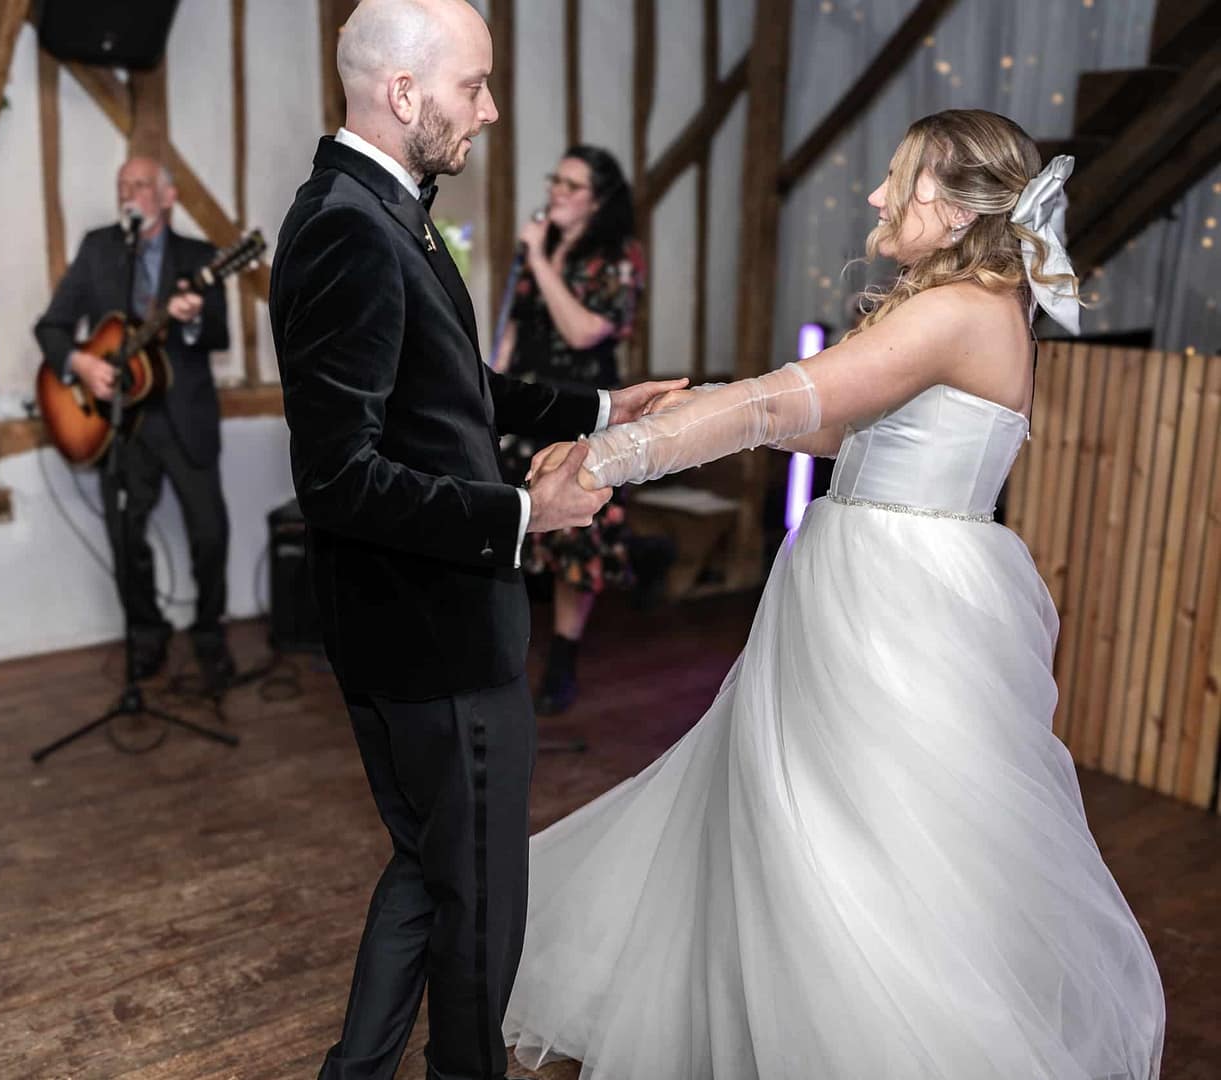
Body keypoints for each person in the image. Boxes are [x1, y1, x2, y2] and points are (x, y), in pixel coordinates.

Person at [504, 110, 1166, 1078]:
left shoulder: (957, 311)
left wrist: (610, 456)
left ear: (949, 208)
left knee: (868, 832)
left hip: (895, 597)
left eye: (897, 176)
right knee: (804, 812)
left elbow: (782, 403)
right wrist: (687, 408)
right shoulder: (961, 304)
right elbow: (821, 426)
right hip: (867, 572)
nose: (873, 195)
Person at [267, 2, 684, 1078]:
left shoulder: (376, 206)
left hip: (408, 629)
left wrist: (598, 409)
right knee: (483, 902)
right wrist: (522, 512)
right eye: (473, 87)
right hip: (435, 637)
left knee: (426, 869)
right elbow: (338, 480)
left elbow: (462, 389)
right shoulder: (350, 229)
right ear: (403, 93)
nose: (489, 111)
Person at [35, 157, 236, 694]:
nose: (130, 192)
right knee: (125, 533)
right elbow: (52, 326)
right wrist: (82, 364)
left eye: (142, 185)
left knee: (209, 531)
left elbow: (220, 334)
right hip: (121, 424)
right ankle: (146, 633)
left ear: (168, 197)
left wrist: (191, 321)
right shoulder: (100, 248)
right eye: (123, 184)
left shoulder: (200, 258)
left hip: (186, 418)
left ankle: (209, 633)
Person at [496, 145, 646, 715]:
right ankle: (507, 654)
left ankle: (562, 658)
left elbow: (584, 331)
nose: (556, 190)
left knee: (576, 542)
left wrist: (539, 260)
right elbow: (514, 328)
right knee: (518, 527)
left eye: (572, 184)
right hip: (528, 407)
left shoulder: (616, 257)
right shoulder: (542, 248)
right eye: (555, 179)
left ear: (599, 199)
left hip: (585, 411)